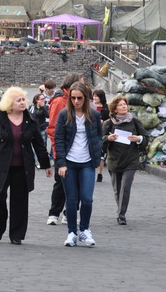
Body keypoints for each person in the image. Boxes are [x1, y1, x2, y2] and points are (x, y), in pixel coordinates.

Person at [0, 87, 52, 244]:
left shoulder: (30, 119)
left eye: (23, 99)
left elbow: (39, 144)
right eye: (18, 100)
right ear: (9, 103)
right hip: (0, 166)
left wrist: (46, 164)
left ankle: (16, 234)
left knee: (20, 201)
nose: (22, 102)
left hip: (22, 167)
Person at [54, 82, 103, 247]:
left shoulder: (94, 115)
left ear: (85, 98)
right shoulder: (64, 114)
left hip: (87, 162)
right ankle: (71, 233)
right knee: (72, 200)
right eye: (73, 98)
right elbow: (58, 139)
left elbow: (98, 137)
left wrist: (97, 156)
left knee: (87, 198)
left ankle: (85, 230)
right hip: (69, 162)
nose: (76, 101)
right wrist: (61, 163)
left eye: (79, 98)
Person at [102, 96, 147, 225]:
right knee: (117, 189)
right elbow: (101, 141)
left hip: (131, 159)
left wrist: (138, 139)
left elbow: (145, 137)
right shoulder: (108, 123)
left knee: (125, 187)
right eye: (120, 105)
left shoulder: (134, 121)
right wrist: (108, 138)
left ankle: (121, 214)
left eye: (125, 104)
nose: (124, 106)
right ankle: (120, 208)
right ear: (114, 108)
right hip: (114, 159)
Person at [45, 72, 79, 226]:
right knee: (61, 182)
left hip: (78, 150)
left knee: (77, 183)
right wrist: (57, 151)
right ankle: (54, 213)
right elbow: (52, 128)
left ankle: (69, 212)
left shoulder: (80, 101)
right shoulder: (59, 101)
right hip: (63, 149)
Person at [92, 89, 109, 181]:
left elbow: (111, 119)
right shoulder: (91, 107)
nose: (94, 98)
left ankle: (99, 173)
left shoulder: (107, 107)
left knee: (101, 153)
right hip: (92, 132)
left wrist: (104, 122)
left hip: (103, 133)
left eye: (96, 96)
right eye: (93, 96)